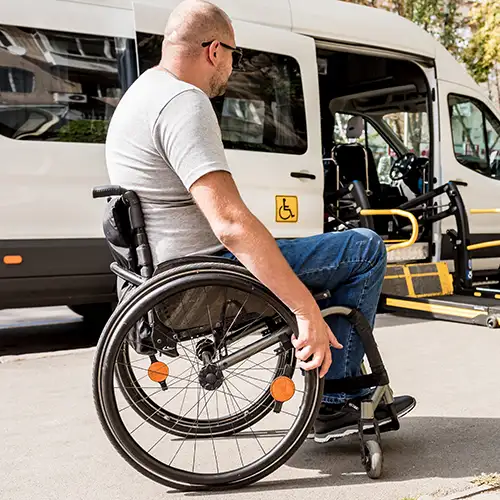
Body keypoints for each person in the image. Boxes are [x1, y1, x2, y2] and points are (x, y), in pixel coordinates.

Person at [105, 0, 416, 443]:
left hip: (164, 273)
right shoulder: (183, 103)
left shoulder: (139, 95)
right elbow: (230, 225)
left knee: (294, 243)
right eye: (235, 54)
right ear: (214, 50)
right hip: (206, 275)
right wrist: (303, 309)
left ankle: (338, 379)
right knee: (363, 247)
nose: (233, 66)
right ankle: (335, 399)